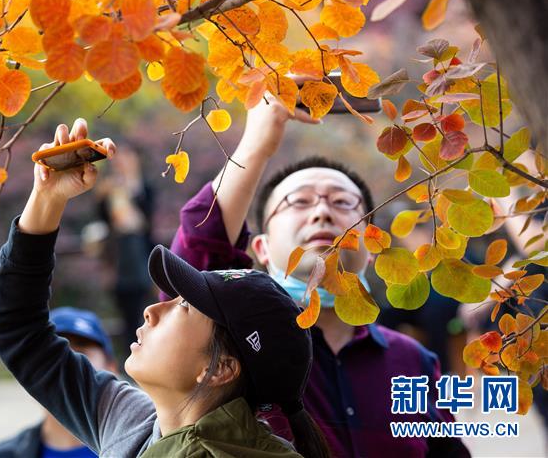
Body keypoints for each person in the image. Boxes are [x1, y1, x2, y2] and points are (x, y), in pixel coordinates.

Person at [0, 118, 329, 458]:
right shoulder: (129, 422)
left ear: (221, 368)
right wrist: (47, 199)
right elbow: (17, 329)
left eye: (182, 307)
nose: (152, 310)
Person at [168, 94, 469, 457]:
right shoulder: (237, 350)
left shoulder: (413, 361)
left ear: (372, 248)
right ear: (261, 248)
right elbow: (201, 246)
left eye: (343, 203)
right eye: (299, 202)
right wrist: (259, 141)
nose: (323, 212)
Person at [0, 307, 117, 458]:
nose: (65, 367)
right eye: (51, 358)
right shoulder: (3, 455)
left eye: (80, 353)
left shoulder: (142, 449)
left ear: (111, 367)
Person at [94, 146, 155, 353]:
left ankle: (147, 355)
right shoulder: (109, 188)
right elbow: (103, 220)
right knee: (125, 312)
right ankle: (130, 356)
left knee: (145, 310)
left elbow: (147, 219)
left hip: (140, 256)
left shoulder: (143, 187)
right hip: (118, 259)